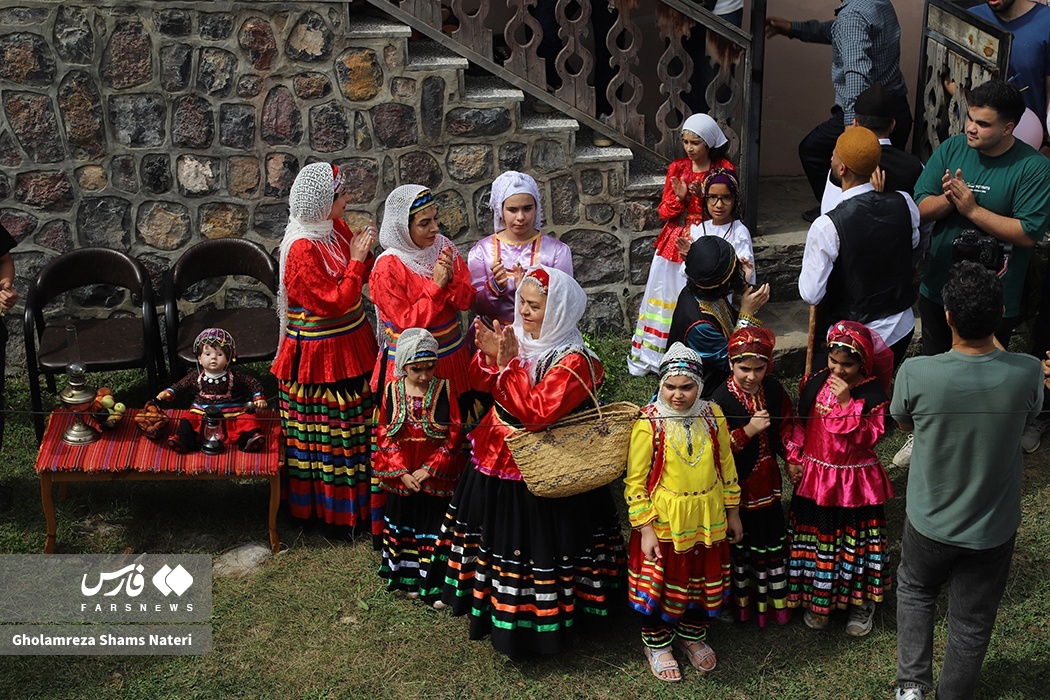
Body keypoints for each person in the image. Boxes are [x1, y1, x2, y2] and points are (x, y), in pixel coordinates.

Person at [432, 266, 625, 659]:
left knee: (537, 539)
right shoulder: (518, 337)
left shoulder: (576, 362)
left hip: (548, 463)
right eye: (521, 301)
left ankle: (540, 619)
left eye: (535, 306)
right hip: (498, 446)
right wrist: (489, 359)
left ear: (557, 311)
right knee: (491, 526)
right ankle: (483, 596)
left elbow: (537, 413)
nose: (523, 311)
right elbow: (482, 384)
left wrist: (508, 366)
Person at [890, 261, 1043, 700]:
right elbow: (1030, 415)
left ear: (948, 316)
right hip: (991, 529)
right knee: (972, 622)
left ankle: (911, 688)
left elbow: (903, 424)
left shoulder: (916, 374)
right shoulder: (1028, 371)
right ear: (1001, 314)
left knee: (916, 591)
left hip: (928, 521)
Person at [271, 162, 379, 538]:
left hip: (350, 343)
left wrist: (362, 258)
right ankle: (328, 514)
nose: (348, 199)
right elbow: (333, 301)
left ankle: (361, 507)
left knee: (356, 430)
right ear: (321, 202)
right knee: (330, 434)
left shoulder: (332, 229)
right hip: (320, 358)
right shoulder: (301, 247)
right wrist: (355, 260)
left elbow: (360, 276)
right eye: (342, 195)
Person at [625, 342, 742, 682]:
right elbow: (634, 482)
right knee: (662, 585)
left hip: (708, 517)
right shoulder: (650, 422)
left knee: (701, 581)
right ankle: (657, 643)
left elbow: (726, 465)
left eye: (687, 387)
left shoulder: (712, 414)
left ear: (700, 386)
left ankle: (693, 635)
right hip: (665, 523)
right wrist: (646, 529)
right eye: (670, 387)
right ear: (660, 385)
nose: (678, 395)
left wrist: (732, 512)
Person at [913, 79, 1050, 356]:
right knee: (935, 364)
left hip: (993, 300)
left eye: (984, 124)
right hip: (939, 289)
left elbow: (1027, 233)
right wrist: (949, 199)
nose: (971, 128)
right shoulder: (953, 148)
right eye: (970, 118)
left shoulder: (1033, 168)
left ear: (1008, 128)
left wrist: (973, 210)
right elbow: (920, 209)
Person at [785, 321, 894, 637]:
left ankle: (861, 602)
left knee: (854, 544)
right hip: (817, 479)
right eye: (834, 361)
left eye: (848, 364)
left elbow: (867, 439)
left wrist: (847, 403)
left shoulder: (872, 396)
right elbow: (801, 424)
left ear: (864, 362)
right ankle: (817, 600)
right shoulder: (816, 381)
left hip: (853, 486)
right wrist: (794, 458)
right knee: (820, 540)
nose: (838, 369)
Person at [766, 0, 912, 215]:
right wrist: (794, 28)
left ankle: (836, 212)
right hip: (896, 108)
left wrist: (852, 126)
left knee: (813, 150)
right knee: (885, 174)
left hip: (866, 115)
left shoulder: (852, 15)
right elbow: (837, 31)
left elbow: (856, 72)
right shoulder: (876, 3)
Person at [799, 126, 920, 369]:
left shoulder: (827, 225)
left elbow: (811, 293)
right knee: (879, 393)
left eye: (834, 154)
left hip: (852, 340)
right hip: (900, 327)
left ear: (841, 168)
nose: (830, 158)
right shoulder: (904, 203)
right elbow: (912, 243)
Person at [629, 114, 735, 376]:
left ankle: (701, 348)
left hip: (709, 236)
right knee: (667, 293)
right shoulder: (677, 168)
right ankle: (659, 353)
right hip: (675, 241)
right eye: (685, 142)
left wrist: (700, 198)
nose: (689, 148)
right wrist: (680, 198)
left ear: (709, 143)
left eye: (695, 143)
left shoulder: (723, 169)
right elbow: (664, 211)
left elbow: (729, 206)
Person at [709, 327, 794, 628]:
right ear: (731, 364)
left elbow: (786, 426)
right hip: (737, 490)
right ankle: (738, 605)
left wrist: (792, 459)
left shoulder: (772, 391)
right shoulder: (718, 401)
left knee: (769, 537)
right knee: (739, 542)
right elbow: (715, 452)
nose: (752, 376)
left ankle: (771, 603)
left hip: (768, 483)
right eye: (744, 368)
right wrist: (748, 432)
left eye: (760, 369)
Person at [373, 328, 464, 607]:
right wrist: (401, 471)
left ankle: (435, 584)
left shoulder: (445, 388)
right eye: (417, 370)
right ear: (403, 366)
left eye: (429, 367)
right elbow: (384, 432)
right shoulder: (391, 389)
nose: (425, 375)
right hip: (404, 474)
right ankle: (410, 580)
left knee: (434, 528)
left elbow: (455, 431)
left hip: (434, 475)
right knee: (405, 526)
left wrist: (429, 469)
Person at [371, 185, 475, 398]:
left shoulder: (442, 247)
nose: (435, 228)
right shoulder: (387, 267)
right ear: (403, 229)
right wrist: (436, 286)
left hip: (451, 358)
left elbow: (466, 302)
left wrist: (452, 281)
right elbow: (406, 322)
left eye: (435, 219)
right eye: (424, 224)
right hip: (414, 370)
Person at [467, 171, 572, 328]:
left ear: (536, 208)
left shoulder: (556, 252)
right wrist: (494, 288)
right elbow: (476, 307)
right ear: (500, 210)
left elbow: (563, 304)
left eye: (527, 208)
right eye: (512, 210)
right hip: (493, 338)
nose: (521, 217)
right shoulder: (482, 251)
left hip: (540, 340)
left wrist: (530, 291)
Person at [667, 236, 769, 395]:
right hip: (703, 392)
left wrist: (741, 287)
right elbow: (735, 360)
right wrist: (747, 315)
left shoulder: (704, 290)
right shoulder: (699, 326)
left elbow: (727, 322)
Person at [819, 81, 926, 215]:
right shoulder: (915, 167)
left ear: (855, 123)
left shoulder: (844, 164)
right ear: (892, 125)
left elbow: (828, 214)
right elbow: (923, 220)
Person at [158, 328, 267, 453]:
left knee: (248, 420)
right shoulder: (195, 376)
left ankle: (250, 440)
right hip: (202, 410)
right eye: (208, 354)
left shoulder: (235, 376)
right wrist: (169, 392)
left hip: (232, 410)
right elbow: (180, 385)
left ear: (228, 358)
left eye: (219, 354)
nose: (213, 358)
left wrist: (258, 397)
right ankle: (183, 441)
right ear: (199, 358)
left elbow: (253, 383)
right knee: (187, 421)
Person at [969, 0, 1050, 133]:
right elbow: (950, 80)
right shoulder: (971, 18)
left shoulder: (1046, 23)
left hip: (1027, 141)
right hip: (973, 139)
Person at [674, 168, 756, 287]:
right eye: (712, 197)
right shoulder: (700, 230)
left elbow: (743, 274)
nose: (719, 205)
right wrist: (691, 258)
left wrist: (698, 258)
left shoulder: (739, 232)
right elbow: (687, 274)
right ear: (705, 199)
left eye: (726, 198)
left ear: (735, 200)